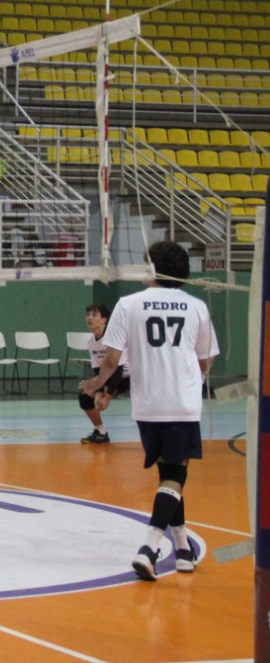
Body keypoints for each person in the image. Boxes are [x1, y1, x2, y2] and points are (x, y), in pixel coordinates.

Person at [78, 241, 218, 581]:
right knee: (175, 476)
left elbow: (112, 359)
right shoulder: (196, 306)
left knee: (167, 474)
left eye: (145, 263)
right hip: (181, 403)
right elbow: (206, 359)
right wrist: (190, 373)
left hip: (146, 406)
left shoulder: (127, 304)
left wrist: (98, 384)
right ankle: (149, 547)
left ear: (155, 269)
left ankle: (183, 549)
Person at [78, 303, 130, 444]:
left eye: (94, 315)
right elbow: (98, 370)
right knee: (85, 396)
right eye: (88, 315)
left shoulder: (113, 338)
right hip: (109, 377)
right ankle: (101, 432)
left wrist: (107, 396)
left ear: (104, 320)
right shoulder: (91, 342)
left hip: (129, 377)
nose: (90, 318)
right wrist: (99, 391)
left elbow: (117, 369)